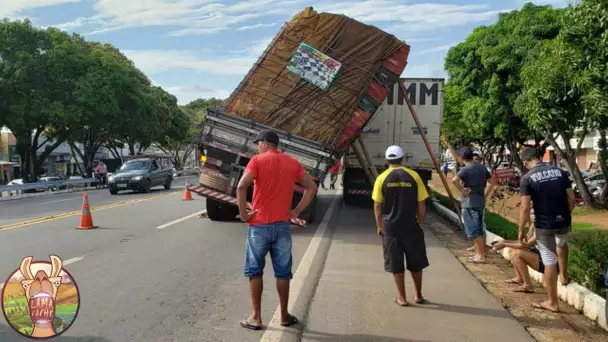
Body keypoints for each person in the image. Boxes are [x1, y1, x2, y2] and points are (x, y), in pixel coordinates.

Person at [236, 130, 317, 330]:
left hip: (258, 226)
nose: (257, 147)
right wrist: (296, 211)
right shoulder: (292, 162)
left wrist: (244, 214)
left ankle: (256, 317)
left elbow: (241, 186)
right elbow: (312, 187)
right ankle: (284, 315)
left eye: (258, 143)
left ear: (265, 143)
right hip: (282, 225)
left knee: (255, 271)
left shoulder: (256, 161)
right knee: (283, 272)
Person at [518, 148, 574, 313]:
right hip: (563, 221)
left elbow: (525, 207)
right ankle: (564, 275)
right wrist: (567, 214)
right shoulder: (560, 172)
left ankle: (552, 302)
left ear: (526, 161)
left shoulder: (527, 178)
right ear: (539, 157)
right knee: (562, 244)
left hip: (544, 225)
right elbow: (571, 198)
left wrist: (521, 228)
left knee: (549, 260)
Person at [372, 145, 430, 306]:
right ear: (403, 159)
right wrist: (420, 221)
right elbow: (421, 203)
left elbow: (377, 206)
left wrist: (379, 226)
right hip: (411, 225)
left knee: (396, 263)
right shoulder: (414, 176)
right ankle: (418, 295)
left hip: (390, 227)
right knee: (416, 262)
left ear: (386, 160)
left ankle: (402, 298)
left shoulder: (381, 178)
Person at [492, 209, 555, 293]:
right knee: (513, 249)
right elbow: (523, 242)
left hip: (548, 264)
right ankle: (519, 278)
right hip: (540, 256)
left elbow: (526, 245)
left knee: (518, 254)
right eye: (532, 213)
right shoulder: (534, 225)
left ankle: (528, 285)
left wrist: (505, 244)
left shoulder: (542, 227)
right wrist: (504, 242)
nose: (534, 215)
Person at [452, 148, 497, 263]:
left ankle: (480, 255)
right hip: (480, 201)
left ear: (462, 159)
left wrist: (462, 190)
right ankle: (480, 253)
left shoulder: (465, 169)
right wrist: (485, 195)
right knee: (479, 228)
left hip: (469, 203)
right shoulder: (482, 167)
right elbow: (492, 181)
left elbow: (454, 180)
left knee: (473, 230)